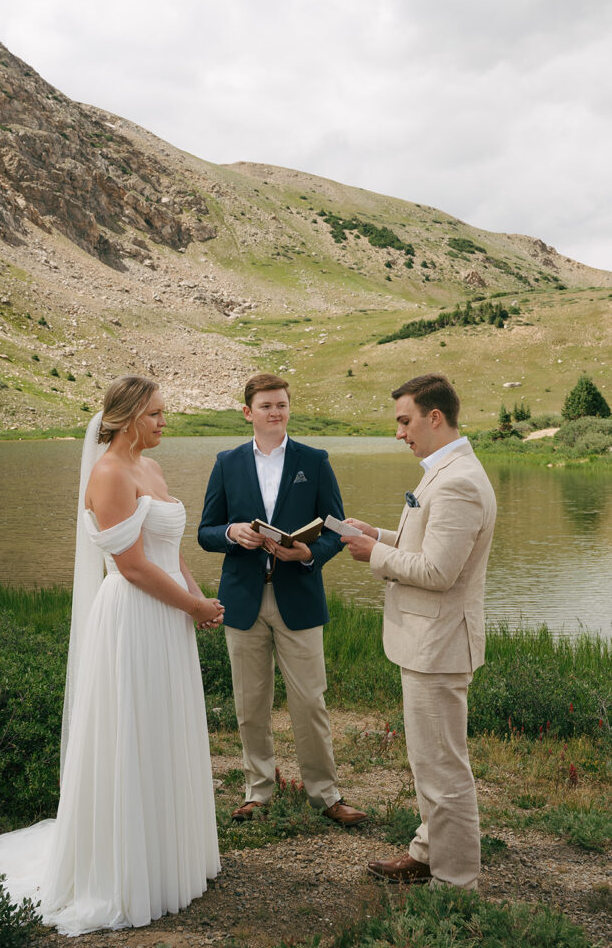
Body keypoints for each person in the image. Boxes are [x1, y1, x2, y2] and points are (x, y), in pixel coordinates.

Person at [0, 376, 222, 933]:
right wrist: (190, 605)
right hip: (134, 617)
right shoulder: (109, 474)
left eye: (165, 414)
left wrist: (197, 598)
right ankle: (125, 873)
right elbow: (133, 567)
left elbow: (169, 550)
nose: (165, 423)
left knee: (163, 728)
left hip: (169, 616)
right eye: (157, 414)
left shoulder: (152, 469)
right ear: (130, 416)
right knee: (131, 730)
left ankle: (169, 859)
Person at [342, 374, 496, 889]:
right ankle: (429, 850)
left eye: (405, 421)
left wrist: (375, 556)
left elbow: (438, 572)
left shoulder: (457, 482)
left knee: (443, 768)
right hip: (430, 641)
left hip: (440, 644)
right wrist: (378, 535)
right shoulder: (445, 471)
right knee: (428, 761)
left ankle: (456, 881)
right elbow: (427, 542)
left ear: (435, 418)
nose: (400, 433)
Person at [198, 373, 366, 826]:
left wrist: (309, 551)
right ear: (249, 412)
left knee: (310, 701)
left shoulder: (315, 460)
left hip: (299, 597)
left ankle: (326, 795)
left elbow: (337, 528)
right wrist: (232, 533)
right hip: (243, 600)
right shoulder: (227, 462)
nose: (276, 412)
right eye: (267, 406)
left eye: (283, 405)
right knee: (249, 702)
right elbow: (205, 532)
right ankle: (258, 791)